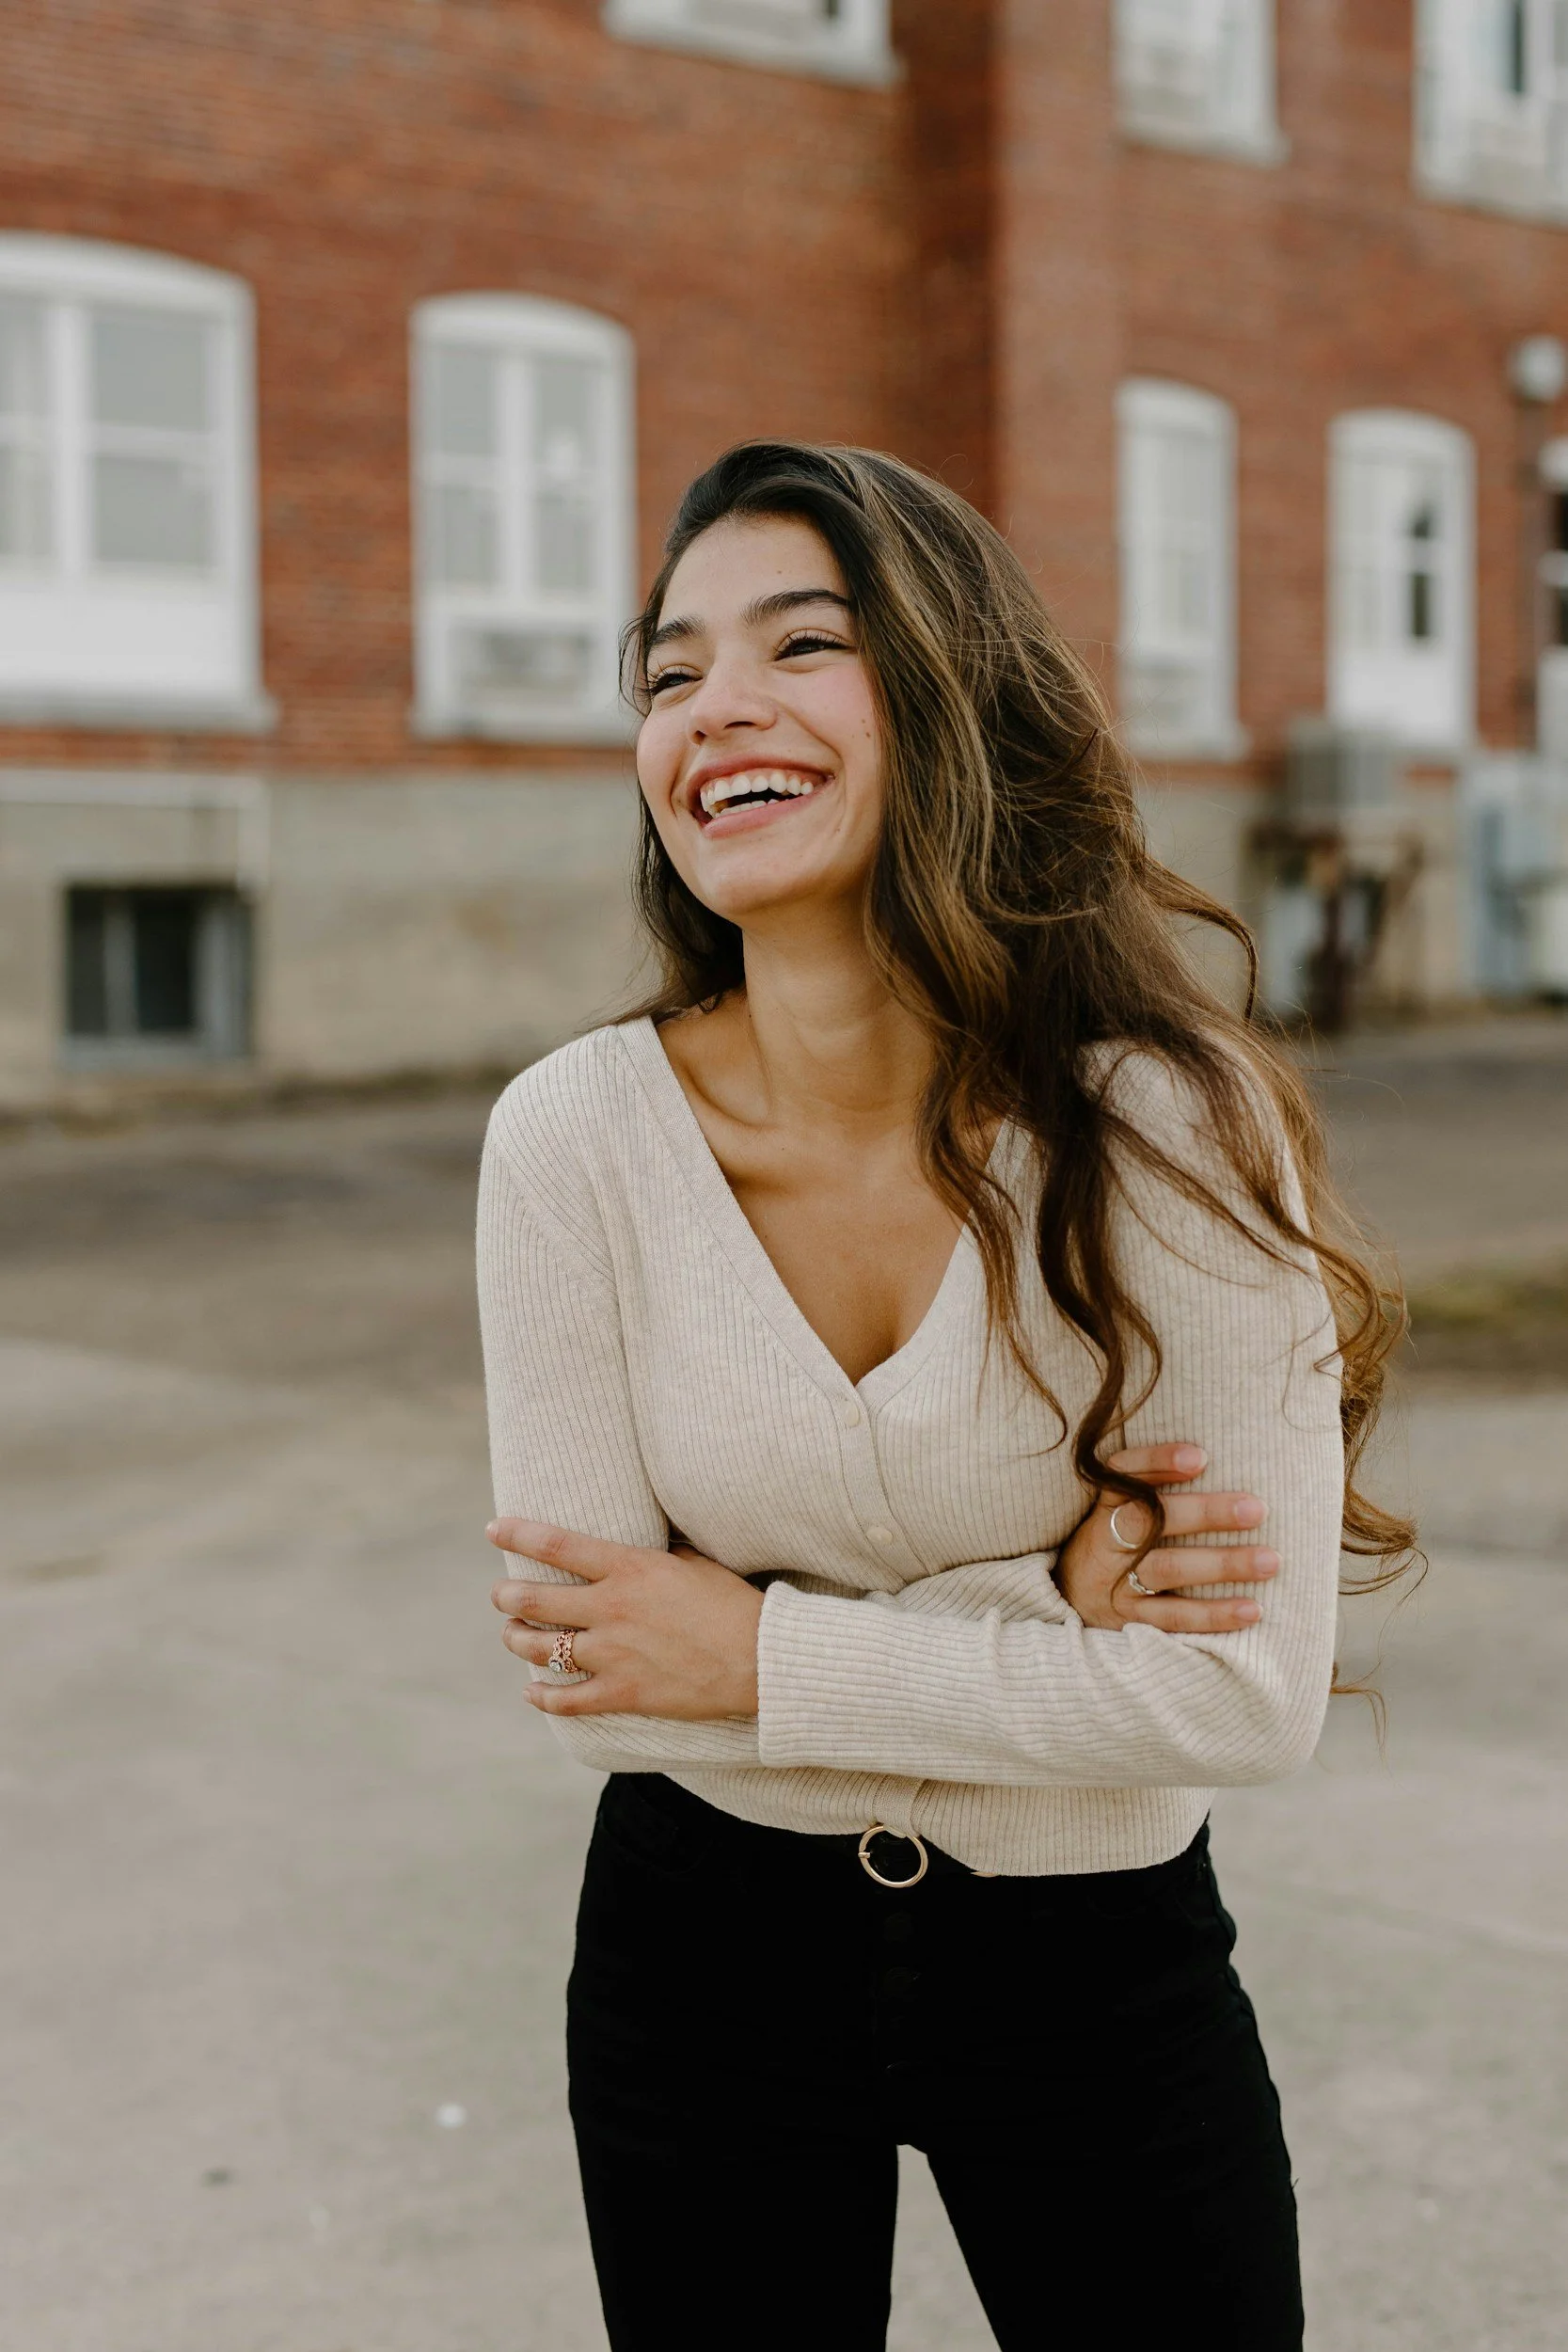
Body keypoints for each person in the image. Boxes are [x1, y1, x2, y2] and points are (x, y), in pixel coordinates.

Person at [476, 442, 1412, 2352]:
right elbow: (599, 1683)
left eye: (796, 643)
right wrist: (1029, 1616)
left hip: (1094, 1970)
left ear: (947, 691)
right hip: (697, 1959)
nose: (711, 705)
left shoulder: (1170, 1124)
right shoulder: (573, 1138)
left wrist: (754, 1650)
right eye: (667, 671)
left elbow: (1239, 1697)